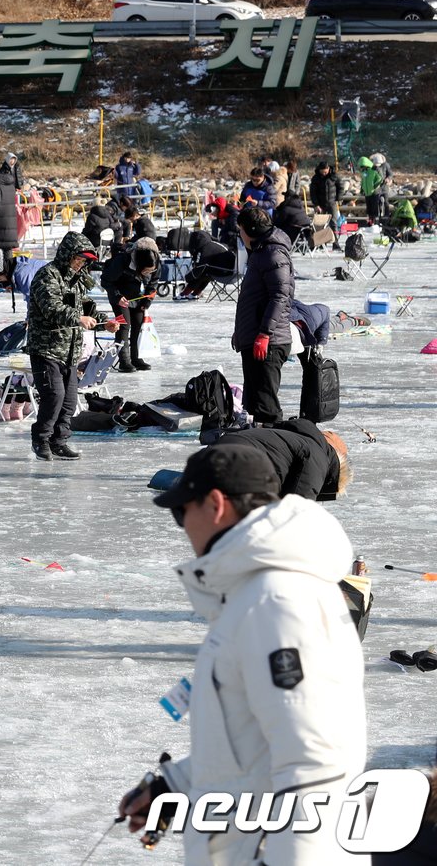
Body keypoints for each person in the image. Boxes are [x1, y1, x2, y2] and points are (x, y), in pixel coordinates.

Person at [119, 444, 366, 865]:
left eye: (182, 511)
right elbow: (248, 746)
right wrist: (175, 785)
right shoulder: (254, 596)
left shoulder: (277, 602)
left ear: (216, 505)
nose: (181, 526)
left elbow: (315, 760)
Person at [26, 233, 117, 461]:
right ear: (68, 255)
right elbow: (52, 308)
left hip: (69, 350)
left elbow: (87, 309)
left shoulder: (76, 279)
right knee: (53, 397)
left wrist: (106, 323)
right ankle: (41, 439)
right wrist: (78, 319)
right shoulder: (48, 276)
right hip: (46, 348)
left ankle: (59, 440)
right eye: (79, 259)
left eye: (85, 261)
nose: (81, 264)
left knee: (68, 401)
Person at [232, 207, 294, 425]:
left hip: (269, 341)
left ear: (251, 230)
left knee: (266, 406)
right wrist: (241, 333)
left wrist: (264, 333)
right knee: (255, 402)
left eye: (241, 230)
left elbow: (280, 296)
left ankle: (274, 448)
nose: (240, 235)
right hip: (256, 336)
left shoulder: (272, 254)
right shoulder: (261, 252)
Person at [212, 421, 350, 501]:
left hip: (219, 450)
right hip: (243, 462)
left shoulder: (291, 439)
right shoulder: (317, 457)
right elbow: (297, 508)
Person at [100, 238, 159, 373]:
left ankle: (136, 357)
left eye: (150, 271)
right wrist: (117, 296)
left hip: (138, 296)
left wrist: (147, 301)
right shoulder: (122, 261)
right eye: (145, 271)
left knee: (138, 324)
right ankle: (124, 360)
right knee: (124, 325)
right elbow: (106, 280)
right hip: (119, 294)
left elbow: (154, 282)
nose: (148, 273)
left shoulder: (155, 260)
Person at [310, 160, 341, 231]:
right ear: (319, 170)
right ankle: (321, 240)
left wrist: (338, 199)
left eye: (325, 172)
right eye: (322, 172)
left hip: (332, 203)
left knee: (333, 222)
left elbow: (340, 187)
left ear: (328, 169)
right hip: (320, 204)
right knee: (320, 224)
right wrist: (316, 204)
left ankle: (335, 241)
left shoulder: (334, 176)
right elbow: (313, 192)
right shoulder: (315, 178)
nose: (324, 174)